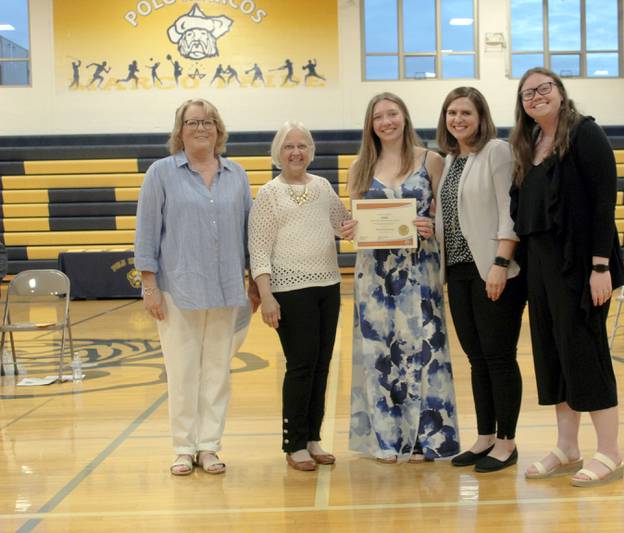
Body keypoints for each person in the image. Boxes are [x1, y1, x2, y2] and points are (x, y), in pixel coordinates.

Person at [509, 67, 624, 487]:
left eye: (544, 89)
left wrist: (599, 267)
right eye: (527, 94)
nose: (536, 97)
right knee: (553, 354)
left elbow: (603, 203)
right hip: (541, 267)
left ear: (560, 93)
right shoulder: (528, 145)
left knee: (585, 353)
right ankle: (568, 446)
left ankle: (610, 452)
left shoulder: (584, 134)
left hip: (580, 265)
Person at [134, 98, 258, 476]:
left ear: (218, 129)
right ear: (180, 130)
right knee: (183, 370)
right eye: (192, 122)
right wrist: (149, 286)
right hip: (178, 289)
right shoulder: (161, 173)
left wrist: (254, 282)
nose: (200, 128)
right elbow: (146, 232)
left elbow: (248, 231)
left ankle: (209, 446)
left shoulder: (236, 174)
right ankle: (184, 447)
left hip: (227, 290)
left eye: (207, 122)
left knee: (218, 372)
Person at [348, 92, 460, 463]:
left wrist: (433, 227)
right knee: (381, 353)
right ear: (371, 124)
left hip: (420, 269)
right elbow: (355, 222)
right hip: (373, 277)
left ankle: (426, 438)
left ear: (404, 116)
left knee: (423, 349)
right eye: (378, 116)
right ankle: (388, 438)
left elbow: (449, 218)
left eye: (392, 113)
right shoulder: (359, 167)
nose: (386, 121)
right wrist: (351, 228)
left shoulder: (432, 160)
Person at [249, 122, 356, 471]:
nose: (296, 152)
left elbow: (345, 225)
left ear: (311, 151)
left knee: (322, 366)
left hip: (328, 286)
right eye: (288, 146)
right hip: (289, 291)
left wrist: (378, 219)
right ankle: (293, 442)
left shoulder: (324, 187)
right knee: (300, 366)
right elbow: (259, 250)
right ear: (278, 153)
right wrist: (266, 296)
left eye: (303, 146)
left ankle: (313, 438)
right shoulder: (269, 193)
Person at [433, 87, 526, 473]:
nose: (458, 119)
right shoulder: (452, 159)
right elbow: (453, 216)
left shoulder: (497, 151)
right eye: (452, 113)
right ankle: (485, 436)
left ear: (480, 116)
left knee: (499, 357)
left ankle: (507, 442)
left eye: (465, 113)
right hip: (458, 270)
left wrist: (501, 262)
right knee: (476, 358)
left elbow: (510, 211)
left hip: (492, 268)